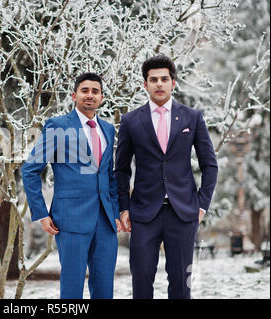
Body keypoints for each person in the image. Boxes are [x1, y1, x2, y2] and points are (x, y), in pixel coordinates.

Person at [114, 55, 218, 299]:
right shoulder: (131, 121)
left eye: (164, 79)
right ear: (145, 84)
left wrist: (202, 204)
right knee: (140, 280)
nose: (158, 84)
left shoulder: (192, 117)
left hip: (182, 213)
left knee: (182, 283)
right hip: (143, 214)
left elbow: (210, 164)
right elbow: (121, 169)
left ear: (173, 82)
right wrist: (124, 208)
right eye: (153, 80)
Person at [22, 72, 122, 299]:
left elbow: (108, 175)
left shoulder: (108, 129)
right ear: (74, 95)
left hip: (106, 222)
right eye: (85, 91)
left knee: (105, 288)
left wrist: (115, 211)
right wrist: (41, 213)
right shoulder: (57, 125)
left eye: (95, 91)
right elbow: (30, 170)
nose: (90, 95)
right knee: (72, 289)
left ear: (102, 98)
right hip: (71, 219)